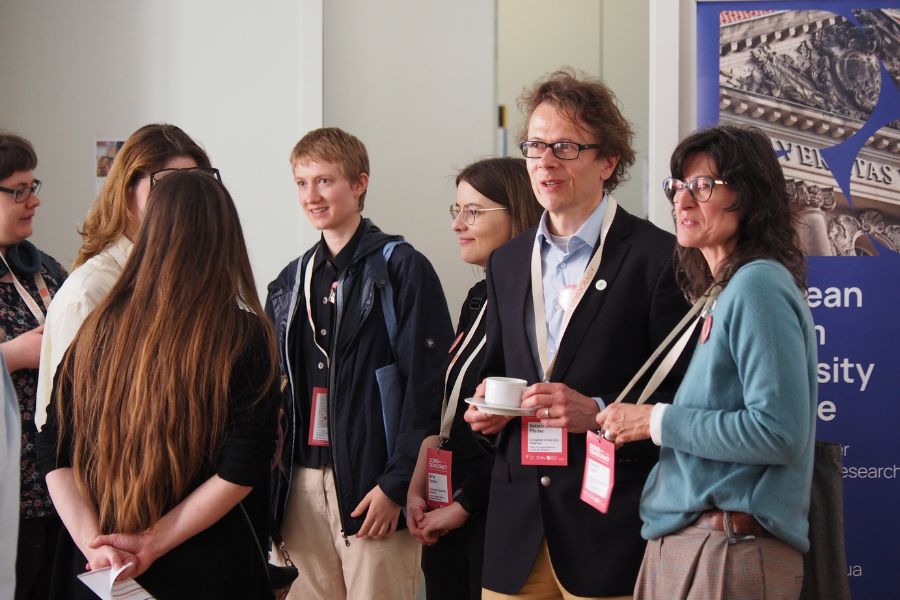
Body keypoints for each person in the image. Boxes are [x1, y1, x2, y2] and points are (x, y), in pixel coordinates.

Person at [464, 70, 690, 599]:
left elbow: (687, 395)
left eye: (565, 147)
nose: (545, 162)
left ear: (608, 161)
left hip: (609, 526)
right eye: (536, 145)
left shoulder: (659, 258)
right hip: (516, 527)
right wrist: (486, 411)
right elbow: (497, 367)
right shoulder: (508, 261)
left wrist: (599, 410)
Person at [596, 125, 816, 600]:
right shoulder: (721, 292)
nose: (682, 200)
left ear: (751, 196)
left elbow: (778, 432)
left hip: (728, 549)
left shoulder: (758, 286)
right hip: (692, 543)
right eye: (678, 187)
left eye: (704, 186)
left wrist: (656, 421)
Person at [38, 170, 280, 599]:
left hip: (103, 572)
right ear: (225, 239)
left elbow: (54, 449)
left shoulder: (97, 329)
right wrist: (151, 542)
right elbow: (243, 465)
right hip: (206, 564)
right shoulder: (244, 335)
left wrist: (95, 545)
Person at [266, 127, 453, 600]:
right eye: (302, 183)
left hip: (374, 485)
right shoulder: (289, 281)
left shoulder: (402, 269)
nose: (312, 196)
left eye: (325, 181)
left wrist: (395, 485)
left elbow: (428, 388)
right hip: (301, 488)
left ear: (359, 183)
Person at [406, 157, 543, 600]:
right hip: (443, 498)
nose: (458, 225)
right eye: (457, 211)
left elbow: (519, 427)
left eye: (474, 211)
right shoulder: (478, 296)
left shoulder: (532, 307)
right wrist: (416, 487)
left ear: (518, 213)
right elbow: (445, 405)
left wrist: (465, 505)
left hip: (490, 508)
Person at [34, 123, 211, 431]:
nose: (182, 202)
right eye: (167, 186)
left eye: (194, 185)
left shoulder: (190, 280)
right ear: (128, 188)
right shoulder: (89, 292)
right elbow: (67, 427)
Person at [0, 133, 68, 600]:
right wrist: (10, 357)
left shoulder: (45, 270)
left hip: (59, 490)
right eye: (19, 191)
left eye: (32, 185)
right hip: (8, 497)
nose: (34, 199)